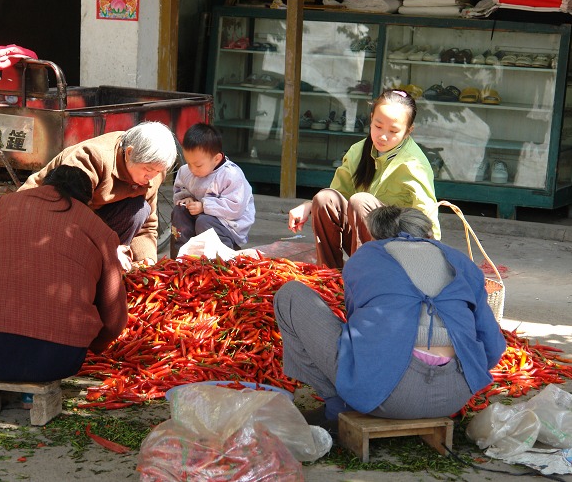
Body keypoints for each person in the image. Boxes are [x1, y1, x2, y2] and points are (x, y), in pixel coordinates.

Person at [274, 206, 505, 431]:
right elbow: (493, 347)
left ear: (377, 236)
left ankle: (337, 409)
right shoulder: (461, 261)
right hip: (454, 398)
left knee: (290, 295)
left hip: (385, 397)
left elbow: (360, 334)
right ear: (429, 234)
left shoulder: (367, 257)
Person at [0, 165, 128, 383]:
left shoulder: (5, 205)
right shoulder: (101, 230)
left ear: (46, 185)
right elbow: (113, 322)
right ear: (86, 201)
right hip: (58, 361)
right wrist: (91, 344)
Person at [287, 89, 440, 269]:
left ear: (408, 131)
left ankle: (364, 276)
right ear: (371, 119)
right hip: (363, 243)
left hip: (398, 255)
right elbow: (338, 194)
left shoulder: (414, 165)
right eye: (378, 126)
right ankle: (328, 273)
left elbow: (428, 223)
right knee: (323, 198)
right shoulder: (358, 151)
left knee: (361, 201)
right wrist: (308, 205)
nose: (383, 136)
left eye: (393, 131)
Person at [19, 121, 178, 269]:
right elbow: (63, 218)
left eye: (158, 171)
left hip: (91, 219)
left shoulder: (154, 174)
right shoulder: (91, 158)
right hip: (44, 217)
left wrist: (147, 261)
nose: (152, 176)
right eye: (148, 170)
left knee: (139, 210)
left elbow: (147, 225)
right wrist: (108, 251)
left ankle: (101, 267)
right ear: (129, 153)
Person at [172, 123, 255, 255]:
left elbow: (235, 207)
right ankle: (182, 258)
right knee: (179, 211)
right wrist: (186, 198)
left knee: (204, 221)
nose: (192, 169)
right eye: (188, 163)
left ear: (217, 159)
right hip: (199, 217)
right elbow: (180, 189)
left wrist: (204, 206)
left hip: (228, 226)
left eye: (198, 165)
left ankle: (222, 258)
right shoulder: (185, 171)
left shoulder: (231, 175)